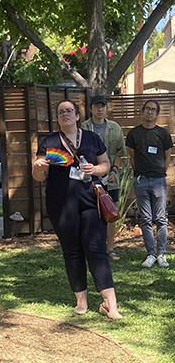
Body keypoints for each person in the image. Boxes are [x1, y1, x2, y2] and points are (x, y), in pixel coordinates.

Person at [32, 100, 122, 319]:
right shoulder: (50, 142)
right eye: (61, 112)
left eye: (69, 111)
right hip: (61, 205)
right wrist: (37, 167)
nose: (65, 115)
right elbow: (39, 177)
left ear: (78, 115)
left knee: (96, 249)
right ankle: (81, 301)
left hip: (91, 201)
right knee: (72, 252)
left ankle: (111, 304)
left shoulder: (92, 138)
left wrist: (96, 169)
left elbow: (105, 165)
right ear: (57, 118)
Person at [126, 99, 172, 268]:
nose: (150, 112)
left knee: (161, 218)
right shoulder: (133, 134)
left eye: (153, 110)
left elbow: (167, 157)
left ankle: (162, 254)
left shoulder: (163, 134)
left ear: (157, 114)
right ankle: (150, 254)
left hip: (159, 181)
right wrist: (140, 173)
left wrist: (161, 173)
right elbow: (132, 157)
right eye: (147, 109)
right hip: (141, 180)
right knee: (145, 218)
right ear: (142, 111)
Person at [81, 95, 126, 260]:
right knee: (90, 212)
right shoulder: (83, 127)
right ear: (91, 108)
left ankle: (110, 248)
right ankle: (91, 248)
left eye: (103, 106)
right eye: (96, 106)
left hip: (110, 178)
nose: (100, 109)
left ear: (106, 109)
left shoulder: (115, 127)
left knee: (111, 212)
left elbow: (120, 153)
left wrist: (114, 170)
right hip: (90, 177)